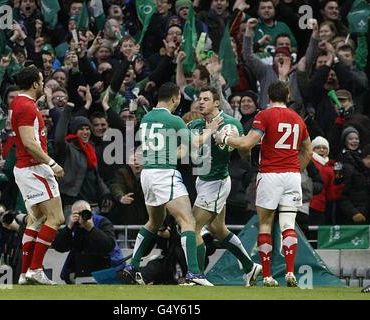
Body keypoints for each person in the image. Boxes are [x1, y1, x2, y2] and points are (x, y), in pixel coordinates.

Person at [121, 82, 221, 286]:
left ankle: (133, 266)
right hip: (165, 174)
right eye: (178, 100)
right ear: (175, 98)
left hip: (147, 175)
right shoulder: (174, 120)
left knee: (154, 222)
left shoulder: (147, 118)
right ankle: (194, 273)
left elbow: (179, 149)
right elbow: (194, 144)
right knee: (188, 222)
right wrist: (210, 130)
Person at [216, 80, 313, 287]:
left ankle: (267, 276)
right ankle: (289, 272)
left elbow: (247, 143)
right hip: (292, 176)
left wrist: (224, 139)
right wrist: (297, 168)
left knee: (266, 225)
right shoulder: (297, 118)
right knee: (288, 225)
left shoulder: (264, 115)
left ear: (268, 97)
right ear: (287, 96)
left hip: (270, 175)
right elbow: (308, 150)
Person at [188, 87, 262, 286]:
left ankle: (197, 276)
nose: (201, 102)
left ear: (217, 103)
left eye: (206, 99)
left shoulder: (230, 123)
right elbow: (189, 146)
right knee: (218, 229)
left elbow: (240, 149)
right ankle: (250, 266)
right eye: (199, 99)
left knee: (192, 227)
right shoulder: (196, 123)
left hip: (217, 182)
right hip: (202, 181)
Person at [9, 66, 65, 285]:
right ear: (34, 84)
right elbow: (29, 143)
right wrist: (52, 164)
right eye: (41, 81)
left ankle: (25, 273)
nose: (43, 85)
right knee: (57, 218)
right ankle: (35, 268)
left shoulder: (20, 104)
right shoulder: (26, 106)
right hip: (34, 168)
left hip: (25, 169)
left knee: (37, 219)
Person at [53, 200, 125, 284]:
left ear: (91, 212)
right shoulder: (73, 225)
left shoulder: (102, 222)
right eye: (77, 214)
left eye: (84, 213)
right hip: (80, 266)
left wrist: (92, 229)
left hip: (107, 264)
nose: (81, 217)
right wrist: (68, 227)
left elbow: (109, 246)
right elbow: (59, 247)